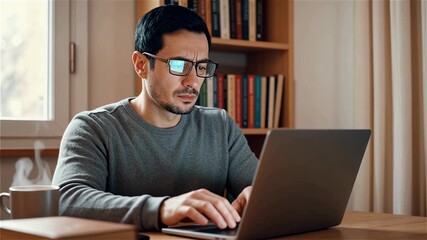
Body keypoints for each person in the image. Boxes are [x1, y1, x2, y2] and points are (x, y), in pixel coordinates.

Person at [52, 5, 258, 232]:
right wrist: (162, 209)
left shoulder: (220, 126)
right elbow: (66, 200)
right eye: (179, 65)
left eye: (201, 66)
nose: (193, 81)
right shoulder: (93, 128)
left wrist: (259, 194)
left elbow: (258, 187)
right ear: (141, 65)